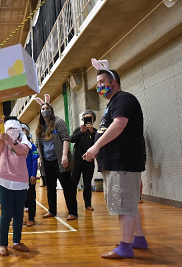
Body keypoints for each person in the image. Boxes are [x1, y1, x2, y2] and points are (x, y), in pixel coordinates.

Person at [84, 59, 148, 259]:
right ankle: (138, 239)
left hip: (124, 163)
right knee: (128, 204)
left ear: (115, 81)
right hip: (116, 164)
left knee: (124, 206)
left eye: (103, 81)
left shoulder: (124, 99)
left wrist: (95, 146)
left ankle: (125, 247)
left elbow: (119, 125)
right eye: (98, 83)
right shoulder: (111, 105)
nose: (100, 86)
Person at [34, 94, 77, 220]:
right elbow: (37, 145)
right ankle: (52, 210)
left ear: (51, 110)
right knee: (50, 187)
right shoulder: (40, 127)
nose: (44, 110)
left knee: (66, 186)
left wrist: (64, 155)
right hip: (47, 161)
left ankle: (73, 212)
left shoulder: (58, 122)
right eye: (42, 109)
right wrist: (40, 159)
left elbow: (65, 138)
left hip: (59, 160)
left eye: (47, 108)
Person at [0, 115, 31, 256]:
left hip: (21, 183)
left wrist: (9, 139)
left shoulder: (24, 143)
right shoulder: (2, 145)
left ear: (19, 130)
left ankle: (16, 242)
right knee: (6, 215)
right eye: (9, 129)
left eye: (14, 129)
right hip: (5, 181)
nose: (12, 131)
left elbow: (22, 150)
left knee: (18, 214)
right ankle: (3, 244)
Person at [70, 110, 97, 211]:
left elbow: (98, 142)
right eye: (86, 118)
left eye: (90, 118)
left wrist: (91, 131)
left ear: (93, 119)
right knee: (73, 183)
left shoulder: (95, 131)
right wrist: (81, 132)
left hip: (89, 162)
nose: (88, 120)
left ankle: (88, 204)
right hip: (76, 161)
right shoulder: (79, 129)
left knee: (87, 183)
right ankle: (72, 205)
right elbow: (71, 139)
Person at [21, 123, 39, 227]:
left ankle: (31, 217)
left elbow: (34, 161)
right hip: (19, 177)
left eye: (25, 130)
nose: (23, 132)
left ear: (28, 132)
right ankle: (19, 217)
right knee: (19, 198)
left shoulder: (31, 146)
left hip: (29, 176)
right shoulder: (16, 145)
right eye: (21, 130)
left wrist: (33, 175)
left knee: (31, 197)